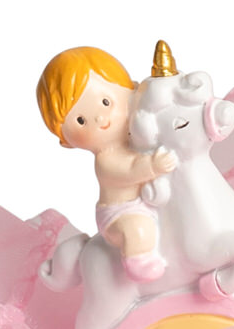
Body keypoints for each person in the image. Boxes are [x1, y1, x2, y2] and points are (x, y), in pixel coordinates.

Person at [35, 46, 177, 282]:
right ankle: (139, 263)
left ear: (132, 90)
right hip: (122, 211)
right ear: (66, 140)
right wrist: (153, 165)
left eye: (105, 102)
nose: (100, 118)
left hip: (152, 199)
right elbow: (130, 170)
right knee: (138, 230)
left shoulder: (140, 131)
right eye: (81, 120)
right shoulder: (106, 159)